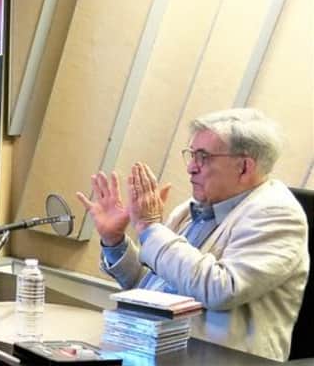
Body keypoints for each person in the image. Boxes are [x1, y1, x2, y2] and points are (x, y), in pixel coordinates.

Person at [76, 108, 309, 361]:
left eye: (203, 157)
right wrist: (115, 242)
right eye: (191, 155)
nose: (190, 168)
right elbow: (156, 289)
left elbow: (221, 289)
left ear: (244, 167)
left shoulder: (277, 214)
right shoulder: (191, 209)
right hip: (153, 350)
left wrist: (150, 228)